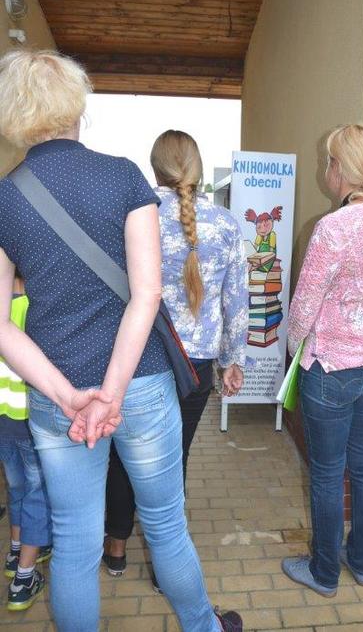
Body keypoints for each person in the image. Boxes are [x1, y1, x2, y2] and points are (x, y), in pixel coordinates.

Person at [0, 50, 242, 632]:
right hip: (141, 385)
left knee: (74, 543)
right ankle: (205, 627)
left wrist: (68, 396)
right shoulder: (122, 176)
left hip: (57, 398)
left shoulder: (6, 197)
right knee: (166, 525)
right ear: (75, 105)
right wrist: (110, 393)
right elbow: (147, 295)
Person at [104, 130, 248, 585]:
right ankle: (167, 560)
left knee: (123, 455)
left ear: (155, 168)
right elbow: (236, 301)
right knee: (175, 456)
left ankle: (116, 546)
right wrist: (233, 360)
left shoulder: (133, 216)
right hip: (196, 367)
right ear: (197, 169)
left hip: (140, 359)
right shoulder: (226, 224)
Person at [282, 124, 363, 597]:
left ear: (339, 169)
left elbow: (304, 305)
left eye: (328, 161)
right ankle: (362, 563)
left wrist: (294, 348)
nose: (325, 169)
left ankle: (323, 573)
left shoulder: (334, 227)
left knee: (328, 474)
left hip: (333, 368)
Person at [0, 273, 52, 611]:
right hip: (30, 420)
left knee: (16, 487)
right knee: (37, 494)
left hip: (2, 416)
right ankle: (24, 576)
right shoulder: (37, 306)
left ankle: (15, 550)